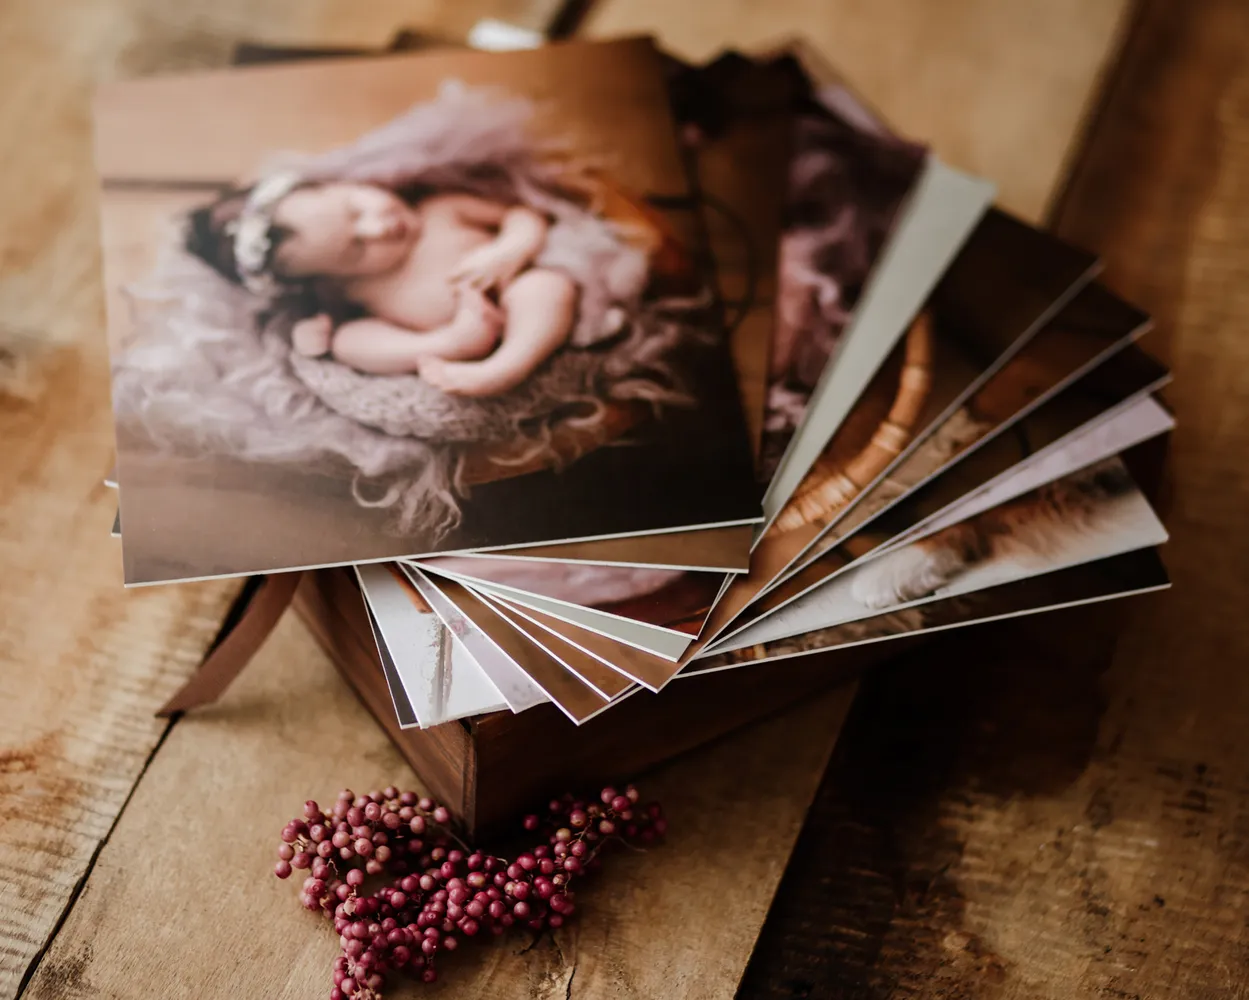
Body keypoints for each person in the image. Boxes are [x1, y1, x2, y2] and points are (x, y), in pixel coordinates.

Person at [186, 173, 581, 397]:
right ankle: (449, 345)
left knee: (545, 287)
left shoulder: (442, 210)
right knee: (348, 342)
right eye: (356, 250)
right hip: (437, 332)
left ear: (345, 182)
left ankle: (506, 365)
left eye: (356, 208)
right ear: (334, 278)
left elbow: (520, 214)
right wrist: (314, 338)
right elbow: (322, 328)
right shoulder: (350, 291)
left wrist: (511, 249)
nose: (379, 227)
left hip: (512, 293)